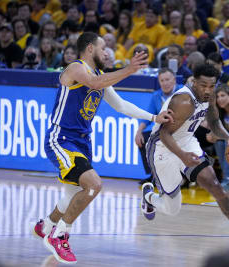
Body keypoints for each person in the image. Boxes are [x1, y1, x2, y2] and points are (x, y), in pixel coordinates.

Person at [31, 32, 173, 264]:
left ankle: (45, 226)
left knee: (71, 197)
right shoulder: (75, 69)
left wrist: (154, 117)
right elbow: (95, 84)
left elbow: (121, 105)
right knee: (93, 185)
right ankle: (60, 235)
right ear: (89, 49)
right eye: (103, 47)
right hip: (62, 139)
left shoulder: (99, 75)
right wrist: (129, 69)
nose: (107, 52)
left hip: (82, 142)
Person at [142, 64, 229, 255]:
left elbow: (214, 122)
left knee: (216, 186)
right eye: (203, 85)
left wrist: (228, 138)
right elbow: (164, 134)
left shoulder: (209, 96)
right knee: (172, 208)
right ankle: (149, 197)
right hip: (162, 148)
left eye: (212, 86)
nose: (208, 90)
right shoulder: (183, 101)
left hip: (186, 142)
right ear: (193, 81)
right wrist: (182, 156)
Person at [135, 68, 182, 182]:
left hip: (182, 130)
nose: (165, 83)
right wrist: (139, 132)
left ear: (174, 80)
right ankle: (154, 175)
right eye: (162, 80)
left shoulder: (183, 92)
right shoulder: (156, 96)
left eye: (167, 79)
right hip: (164, 131)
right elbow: (148, 116)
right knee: (143, 140)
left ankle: (181, 176)